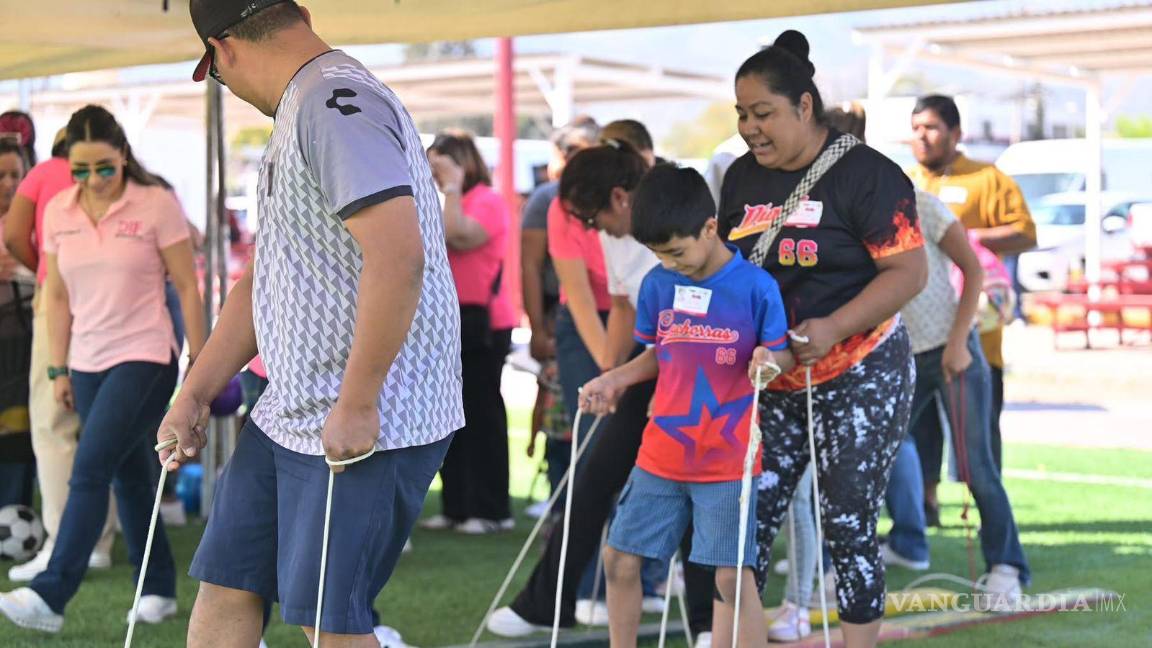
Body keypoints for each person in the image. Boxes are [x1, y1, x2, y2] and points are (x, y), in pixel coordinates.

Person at [162, 2, 463, 647]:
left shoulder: (333, 103)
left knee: (328, 621)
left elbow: (398, 255)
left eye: (214, 74)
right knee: (228, 584)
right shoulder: (306, 105)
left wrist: (357, 403)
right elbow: (261, 282)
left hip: (362, 418)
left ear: (224, 50)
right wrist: (194, 392)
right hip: (290, 412)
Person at [719, 31, 927, 648]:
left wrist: (833, 326)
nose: (749, 128)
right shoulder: (738, 180)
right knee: (740, 525)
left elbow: (908, 272)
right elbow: (731, 272)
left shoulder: (867, 174)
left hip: (860, 371)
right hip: (771, 378)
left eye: (763, 113)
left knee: (847, 522)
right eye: (741, 115)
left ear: (804, 106)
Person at [0, 104, 206, 633]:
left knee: (89, 466)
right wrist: (59, 370)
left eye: (104, 168)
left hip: (145, 354)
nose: (93, 180)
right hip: (85, 361)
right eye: (81, 170)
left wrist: (200, 366)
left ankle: (51, 593)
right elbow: (59, 294)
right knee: (129, 474)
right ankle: (157, 587)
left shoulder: (156, 203)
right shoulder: (58, 212)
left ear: (123, 157)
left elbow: (187, 285)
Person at [580, 164, 793, 648]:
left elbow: (780, 351)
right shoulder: (658, 284)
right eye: (658, 255)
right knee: (619, 559)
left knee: (731, 579)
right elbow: (659, 353)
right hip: (663, 452)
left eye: (677, 251)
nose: (670, 264)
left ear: (710, 228)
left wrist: (767, 359)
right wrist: (614, 379)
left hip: (727, 458)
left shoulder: (757, 288)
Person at [827, 104, 1032, 604]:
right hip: (897, 360)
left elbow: (974, 273)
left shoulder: (923, 204)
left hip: (953, 353)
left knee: (977, 466)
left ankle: (1007, 568)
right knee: (870, 464)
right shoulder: (851, 223)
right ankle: (855, 567)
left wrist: (961, 342)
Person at [906, 95, 1036, 519]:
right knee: (920, 431)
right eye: (916, 127)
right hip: (919, 335)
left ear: (956, 134)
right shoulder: (905, 183)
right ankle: (924, 506)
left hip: (976, 335)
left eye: (931, 127)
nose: (921, 136)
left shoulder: (987, 178)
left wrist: (966, 238)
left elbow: (1025, 232)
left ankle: (991, 523)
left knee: (979, 439)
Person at [3, 127, 121, 580]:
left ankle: (61, 542)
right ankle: (101, 540)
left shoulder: (44, 173)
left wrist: (43, 270)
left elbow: (15, 236)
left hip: (59, 300)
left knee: (53, 427)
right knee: (99, 425)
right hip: (109, 301)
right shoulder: (121, 178)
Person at [423, 129, 515, 534]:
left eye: (438, 163)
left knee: (481, 413)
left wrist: (453, 188)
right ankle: (457, 505)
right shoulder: (439, 201)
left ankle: (492, 509)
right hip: (448, 319)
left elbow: (458, 235)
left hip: (485, 322)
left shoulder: (487, 202)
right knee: (447, 416)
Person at [520, 116, 599, 504]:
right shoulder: (547, 198)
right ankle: (562, 508)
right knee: (560, 406)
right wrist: (537, 328)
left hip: (602, 312)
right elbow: (531, 266)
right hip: (562, 313)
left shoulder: (614, 192)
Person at [0, 139, 34, 510]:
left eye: (16, 175)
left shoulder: (43, 219)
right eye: (1, 176)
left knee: (18, 437)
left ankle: (14, 517)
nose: (10, 184)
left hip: (24, 347)